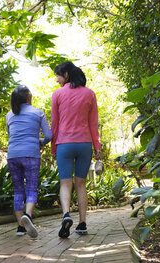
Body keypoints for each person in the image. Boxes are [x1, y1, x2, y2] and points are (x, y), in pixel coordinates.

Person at [51, 61, 101, 238]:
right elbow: (93, 124)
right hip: (85, 143)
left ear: (66, 75)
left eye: (58, 75)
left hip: (64, 143)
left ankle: (66, 214)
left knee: (66, 183)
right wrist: (98, 148)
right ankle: (82, 223)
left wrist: (53, 148)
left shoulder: (57, 94)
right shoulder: (90, 94)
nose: (56, 79)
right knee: (81, 184)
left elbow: (54, 125)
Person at [6, 85, 52, 238]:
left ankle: (20, 227)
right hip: (31, 154)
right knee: (31, 188)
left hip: (12, 155)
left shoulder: (9, 115)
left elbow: (11, 134)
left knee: (18, 190)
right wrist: (40, 142)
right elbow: (49, 135)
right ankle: (28, 215)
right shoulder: (38, 112)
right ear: (28, 97)